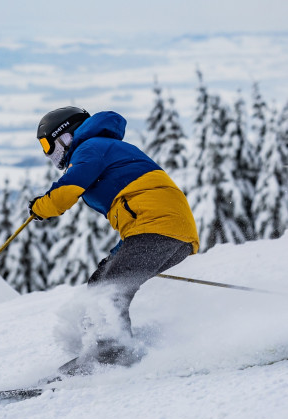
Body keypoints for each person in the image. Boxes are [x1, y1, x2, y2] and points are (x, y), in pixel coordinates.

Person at [29, 107, 199, 374]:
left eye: (47, 144)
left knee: (111, 290)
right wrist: (118, 254)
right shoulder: (102, 147)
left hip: (158, 227)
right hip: (166, 231)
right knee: (101, 283)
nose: (48, 152)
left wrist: (41, 207)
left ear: (65, 136)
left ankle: (112, 354)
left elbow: (68, 189)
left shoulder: (91, 147)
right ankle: (102, 346)